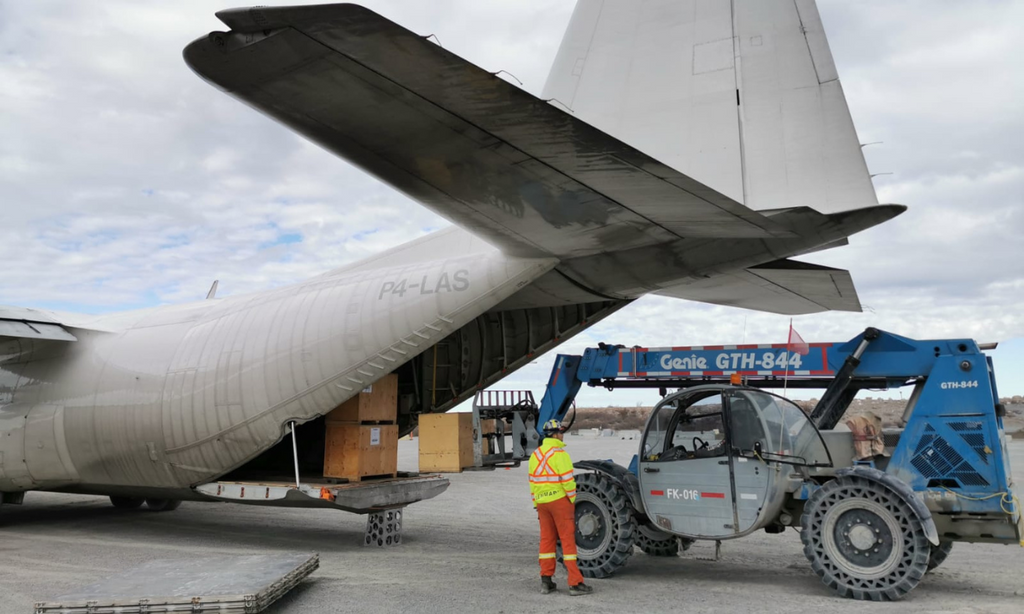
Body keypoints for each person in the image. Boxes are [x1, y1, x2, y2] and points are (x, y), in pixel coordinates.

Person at [529, 419, 593, 596]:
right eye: (561, 431)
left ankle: (546, 582)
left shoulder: (536, 455)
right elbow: (567, 481)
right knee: (567, 541)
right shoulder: (560, 454)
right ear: (556, 434)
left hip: (542, 503)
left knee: (546, 540)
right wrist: (572, 499)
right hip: (559, 501)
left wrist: (536, 503)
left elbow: (532, 482)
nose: (563, 434)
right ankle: (575, 583)